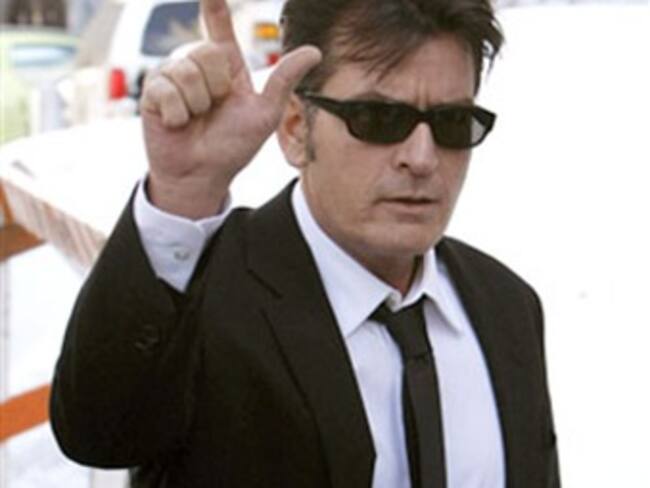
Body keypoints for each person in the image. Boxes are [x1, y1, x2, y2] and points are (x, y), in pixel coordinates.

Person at [50, 0, 560, 486]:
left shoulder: (506, 307)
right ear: (295, 128)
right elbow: (97, 431)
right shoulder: (206, 297)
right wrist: (182, 193)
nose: (422, 158)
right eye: (379, 119)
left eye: (452, 123)